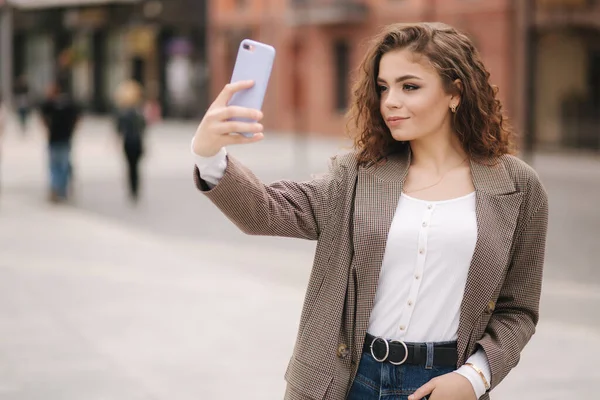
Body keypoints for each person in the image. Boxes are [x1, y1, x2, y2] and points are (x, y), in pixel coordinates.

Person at [190, 22, 548, 400]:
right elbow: (263, 211)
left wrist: (475, 377)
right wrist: (208, 153)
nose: (390, 100)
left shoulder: (519, 188)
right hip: (347, 380)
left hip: (445, 386)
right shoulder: (357, 175)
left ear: (454, 93)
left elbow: (518, 309)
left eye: (409, 86)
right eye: (383, 87)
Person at [40, 82, 81, 203]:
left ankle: (56, 188)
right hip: (64, 138)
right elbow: (78, 118)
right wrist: (72, 130)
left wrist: (47, 128)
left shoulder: (50, 104)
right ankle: (60, 189)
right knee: (62, 165)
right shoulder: (68, 104)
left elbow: (43, 118)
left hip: (56, 138)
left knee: (55, 165)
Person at [114, 80, 147, 203]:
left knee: (130, 166)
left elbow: (118, 130)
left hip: (128, 142)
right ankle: (136, 188)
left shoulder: (122, 113)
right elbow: (143, 128)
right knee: (136, 167)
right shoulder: (139, 112)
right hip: (137, 141)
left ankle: (132, 189)